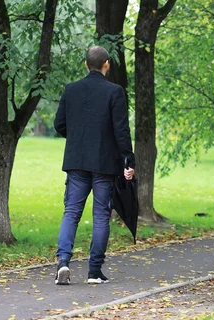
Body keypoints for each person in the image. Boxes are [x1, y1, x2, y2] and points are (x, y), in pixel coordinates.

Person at [54, 46, 135, 285]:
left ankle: (63, 262)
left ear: (86, 64)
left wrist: (79, 136)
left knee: (71, 212)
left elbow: (60, 125)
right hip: (104, 163)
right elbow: (121, 130)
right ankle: (94, 272)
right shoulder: (115, 92)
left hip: (76, 161)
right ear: (107, 64)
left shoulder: (71, 90)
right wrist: (128, 160)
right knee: (101, 216)